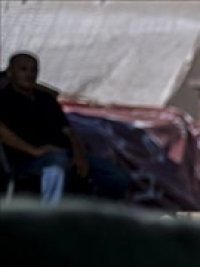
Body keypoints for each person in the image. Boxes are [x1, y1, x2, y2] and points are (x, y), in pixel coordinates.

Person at [0, 52, 128, 204]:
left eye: (33, 70)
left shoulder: (45, 99)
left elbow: (68, 130)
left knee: (117, 177)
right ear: (10, 72)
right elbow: (3, 133)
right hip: (29, 159)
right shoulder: (4, 99)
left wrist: (79, 154)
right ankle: (50, 220)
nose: (30, 74)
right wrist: (33, 150)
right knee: (56, 166)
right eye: (23, 69)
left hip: (65, 153)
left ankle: (96, 215)